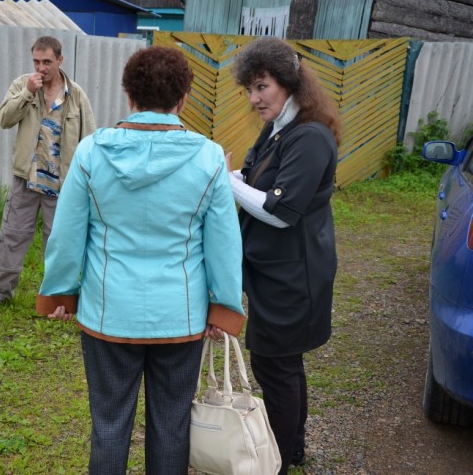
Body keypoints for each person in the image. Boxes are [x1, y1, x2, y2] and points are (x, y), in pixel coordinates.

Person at [36, 46, 245, 474]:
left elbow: (67, 233)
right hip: (181, 316)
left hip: (108, 313)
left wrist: (59, 293)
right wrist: (223, 307)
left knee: (109, 426)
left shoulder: (93, 153)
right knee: (172, 427)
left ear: (128, 95)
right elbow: (224, 243)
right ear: (183, 98)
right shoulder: (208, 157)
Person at [226, 37, 341, 473]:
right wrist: (236, 175)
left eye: (262, 87)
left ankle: (276, 459)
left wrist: (227, 180)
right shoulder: (280, 129)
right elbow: (258, 181)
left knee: (276, 366)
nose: (254, 98)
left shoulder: (310, 137)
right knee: (282, 365)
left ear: (288, 82)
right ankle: (291, 447)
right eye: (250, 89)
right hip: (275, 268)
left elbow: (280, 211)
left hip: (295, 274)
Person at [0, 36, 96, 313]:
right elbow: (4, 119)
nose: (41, 68)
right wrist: (26, 94)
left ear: (60, 60)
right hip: (26, 177)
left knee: (58, 243)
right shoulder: (23, 85)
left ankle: (56, 298)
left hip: (62, 183)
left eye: (47, 62)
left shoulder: (76, 95)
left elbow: (90, 138)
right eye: (36, 61)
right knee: (12, 236)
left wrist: (87, 179)